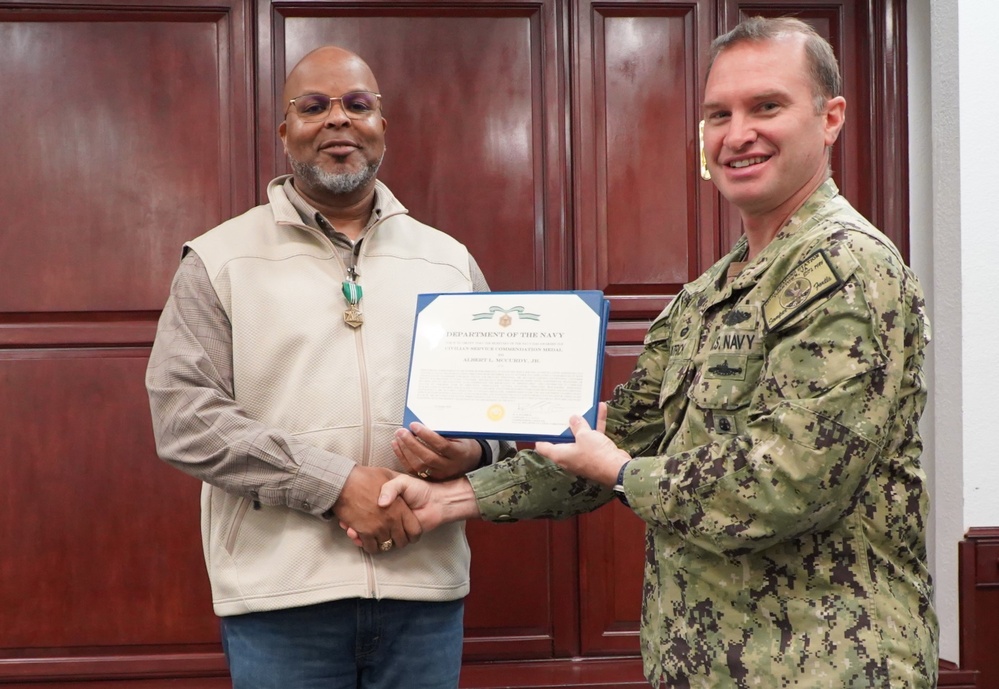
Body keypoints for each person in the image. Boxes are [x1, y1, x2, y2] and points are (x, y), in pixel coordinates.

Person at [369, 16, 939, 688]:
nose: (737, 133)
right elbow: (605, 437)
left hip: (825, 665)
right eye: (716, 114)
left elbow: (781, 485)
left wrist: (620, 470)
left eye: (766, 106)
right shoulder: (703, 297)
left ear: (829, 118)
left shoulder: (845, 269)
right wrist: (453, 498)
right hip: (702, 662)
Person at [145, 45, 505, 689]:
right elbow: (184, 418)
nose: (338, 119)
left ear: (382, 128)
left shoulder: (448, 260)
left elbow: (502, 409)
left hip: (424, 595)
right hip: (280, 603)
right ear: (285, 133)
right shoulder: (218, 259)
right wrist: (334, 484)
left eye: (357, 105)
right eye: (313, 106)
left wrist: (473, 450)